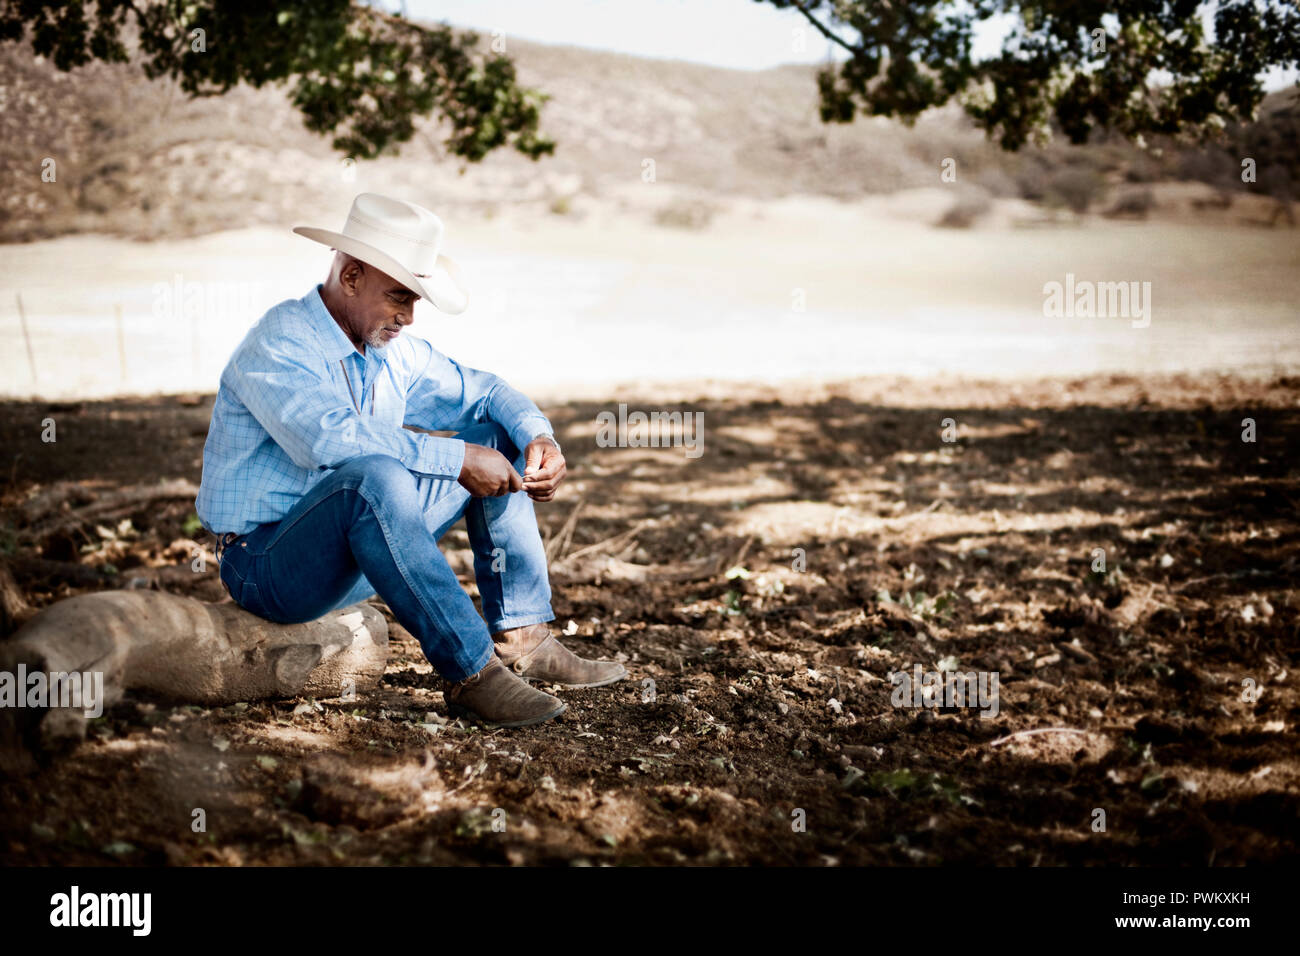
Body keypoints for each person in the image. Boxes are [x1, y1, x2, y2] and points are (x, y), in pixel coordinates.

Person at [195, 193, 625, 727]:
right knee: (372, 478)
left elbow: (486, 392)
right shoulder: (279, 343)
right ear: (351, 276)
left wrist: (541, 436)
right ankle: (471, 675)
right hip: (267, 566)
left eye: (416, 301)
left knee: (497, 437)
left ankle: (525, 638)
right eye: (399, 297)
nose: (409, 317)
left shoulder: (390, 350)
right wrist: (456, 457)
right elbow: (328, 440)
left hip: (356, 553)